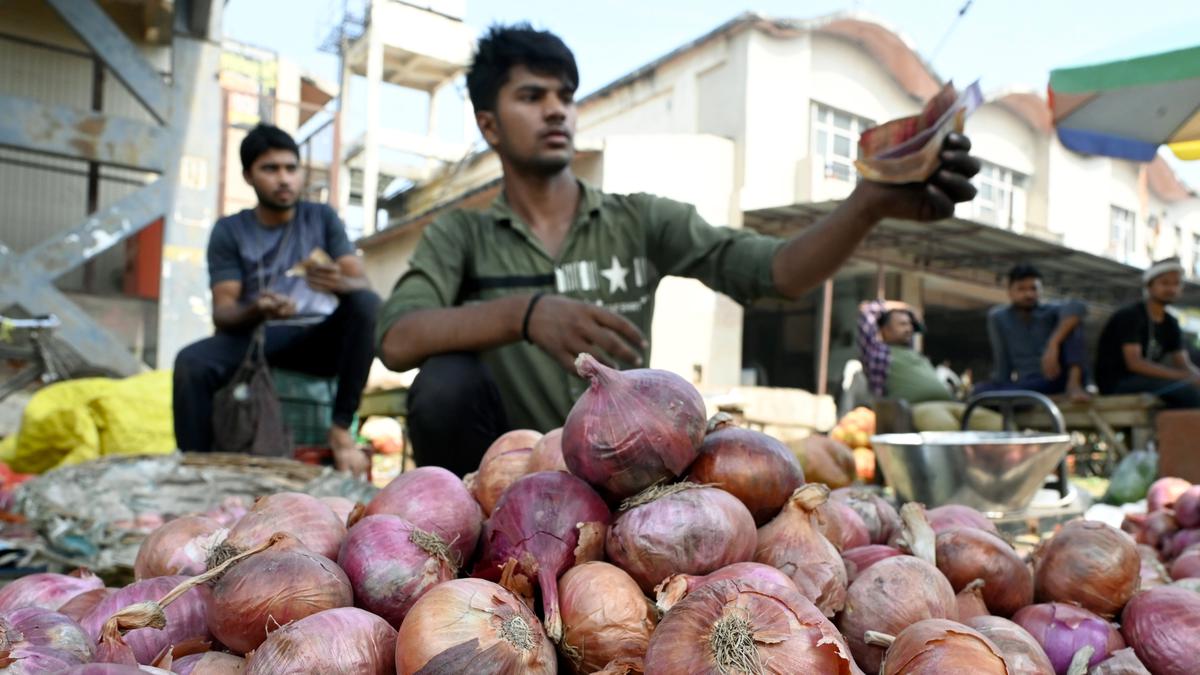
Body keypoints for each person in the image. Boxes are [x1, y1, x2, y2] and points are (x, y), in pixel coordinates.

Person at [376, 24, 981, 476]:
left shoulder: (638, 220)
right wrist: (526, 315)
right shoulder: (463, 235)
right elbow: (397, 339)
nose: (556, 109)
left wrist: (868, 204)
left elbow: (776, 273)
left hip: (625, 470)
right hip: (510, 477)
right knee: (442, 383)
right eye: (532, 97)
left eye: (565, 95)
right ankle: (465, 546)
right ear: (489, 125)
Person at [173, 124, 380, 475]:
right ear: (248, 176)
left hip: (316, 338)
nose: (284, 179)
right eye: (270, 169)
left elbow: (360, 281)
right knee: (191, 363)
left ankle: (341, 429)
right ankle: (196, 468)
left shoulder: (322, 217)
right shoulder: (230, 230)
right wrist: (257, 309)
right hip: (256, 335)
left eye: (290, 168)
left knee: (367, 303)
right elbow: (224, 311)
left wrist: (339, 283)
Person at [857, 300, 1001, 431]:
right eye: (902, 324)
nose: (908, 329)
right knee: (947, 431)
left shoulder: (914, 352)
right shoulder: (879, 354)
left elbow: (919, 327)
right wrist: (898, 306)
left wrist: (911, 313)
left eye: (909, 324)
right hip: (919, 408)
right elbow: (867, 311)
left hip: (952, 405)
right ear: (885, 330)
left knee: (999, 424)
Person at [1095, 258, 1200, 408]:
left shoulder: (1171, 322)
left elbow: (1183, 363)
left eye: (1176, 284)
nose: (1171, 289)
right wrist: (1184, 377)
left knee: (1187, 391)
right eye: (1165, 283)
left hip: (1147, 382)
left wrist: (1195, 375)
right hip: (1118, 384)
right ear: (1149, 286)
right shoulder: (1131, 315)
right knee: (1186, 391)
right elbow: (1135, 363)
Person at [980, 264, 1090, 401]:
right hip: (1029, 383)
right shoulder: (998, 317)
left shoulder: (1051, 311)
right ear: (1010, 291)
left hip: (1057, 378)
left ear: (1041, 290)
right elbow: (1002, 359)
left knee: (1072, 323)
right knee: (981, 392)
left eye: (1034, 288)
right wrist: (999, 385)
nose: (1029, 294)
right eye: (1021, 289)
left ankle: (1074, 385)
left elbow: (1078, 306)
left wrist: (1053, 344)